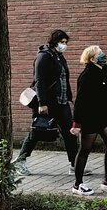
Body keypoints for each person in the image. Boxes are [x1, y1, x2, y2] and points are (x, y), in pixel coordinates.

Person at [13, 30, 79, 176]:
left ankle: (75, 165)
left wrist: (68, 97)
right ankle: (20, 161)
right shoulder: (44, 56)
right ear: (54, 42)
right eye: (62, 42)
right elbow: (39, 81)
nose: (64, 45)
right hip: (48, 102)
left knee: (70, 132)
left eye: (65, 42)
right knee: (37, 131)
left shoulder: (59, 57)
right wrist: (42, 103)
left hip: (61, 101)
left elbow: (63, 79)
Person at [70, 46, 107, 196]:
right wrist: (76, 124)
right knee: (85, 149)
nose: (103, 55)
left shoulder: (103, 72)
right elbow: (80, 101)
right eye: (99, 53)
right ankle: (77, 184)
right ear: (92, 59)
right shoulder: (87, 76)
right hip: (89, 117)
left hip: (102, 115)